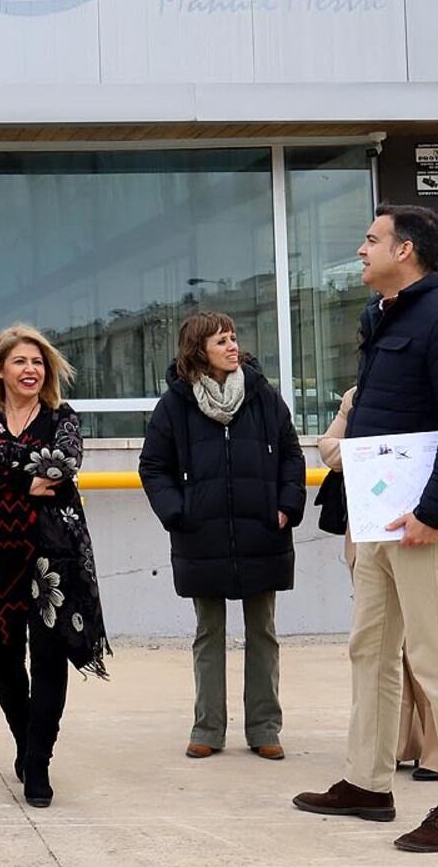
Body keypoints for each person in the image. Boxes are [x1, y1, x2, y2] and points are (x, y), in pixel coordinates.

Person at [293, 204, 438, 854]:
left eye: (371, 239)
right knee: (371, 650)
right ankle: (368, 781)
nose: (361, 249)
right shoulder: (380, 319)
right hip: (377, 519)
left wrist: (433, 513)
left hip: (424, 526)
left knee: (437, 662)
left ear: (404, 250)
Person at [0, 325, 109, 808]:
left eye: (38, 363)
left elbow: (63, 464)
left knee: (48, 658)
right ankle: (24, 739)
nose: (31, 370)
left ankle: (38, 761)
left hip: (51, 559)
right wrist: (23, 479)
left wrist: (1, 455)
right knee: (0, 653)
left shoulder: (62, 416)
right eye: (20, 361)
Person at [139, 311, 306, 762]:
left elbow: (291, 454)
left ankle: (264, 728)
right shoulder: (175, 404)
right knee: (208, 633)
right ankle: (208, 728)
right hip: (202, 535)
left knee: (263, 632)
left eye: (233, 338)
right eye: (221, 341)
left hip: (260, 531)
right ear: (199, 352)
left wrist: (287, 506)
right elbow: (153, 466)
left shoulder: (263, 396)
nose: (232, 347)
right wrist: (179, 512)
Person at [318, 387, 438, 784]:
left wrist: (369, 453)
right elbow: (329, 451)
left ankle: (437, 752)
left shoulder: (424, 392)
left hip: (416, 530)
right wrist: (373, 453)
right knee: (379, 647)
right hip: (365, 534)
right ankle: (400, 743)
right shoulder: (357, 397)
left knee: (423, 647)